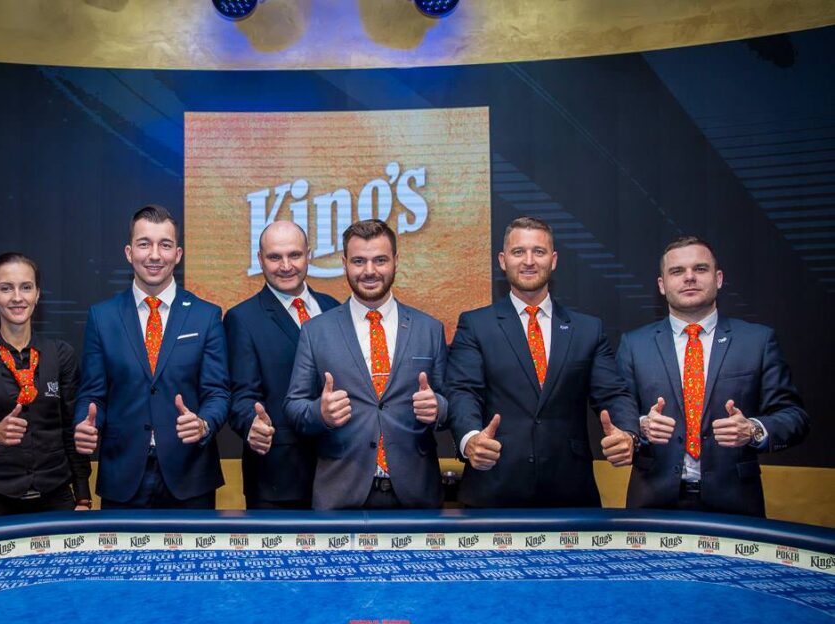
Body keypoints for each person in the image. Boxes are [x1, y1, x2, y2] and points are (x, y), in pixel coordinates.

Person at [446, 216, 638, 508]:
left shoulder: (587, 329)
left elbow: (612, 393)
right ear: (502, 260)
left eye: (538, 251)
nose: (529, 261)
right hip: (494, 487)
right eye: (518, 252)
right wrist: (471, 438)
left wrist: (628, 433)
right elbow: (462, 391)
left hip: (570, 491)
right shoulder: (476, 325)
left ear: (554, 260)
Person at [616, 237, 809, 516]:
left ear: (718, 279)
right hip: (652, 501)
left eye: (700, 268)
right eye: (677, 271)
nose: (689, 277)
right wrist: (641, 426)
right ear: (662, 285)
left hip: (735, 503)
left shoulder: (757, 341)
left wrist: (753, 429)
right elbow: (619, 416)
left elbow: (794, 417)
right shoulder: (634, 345)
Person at [284, 218, 448, 509]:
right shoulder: (316, 331)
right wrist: (320, 413)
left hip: (416, 493)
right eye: (359, 261)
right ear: (344, 264)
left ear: (396, 261)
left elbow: (451, 400)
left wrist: (439, 408)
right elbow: (294, 407)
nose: (369, 271)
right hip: (341, 493)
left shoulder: (429, 329)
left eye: (380, 260)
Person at [73, 205, 229, 508]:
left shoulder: (206, 315)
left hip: (190, 474)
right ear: (129, 252)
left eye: (165, 245)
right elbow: (92, 394)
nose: (155, 255)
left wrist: (204, 423)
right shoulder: (102, 317)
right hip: (123, 476)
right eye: (144, 244)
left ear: (178, 254)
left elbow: (218, 392)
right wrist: (85, 423)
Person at [0, 253, 92, 518]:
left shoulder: (60, 354)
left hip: (55, 496)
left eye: (26, 287)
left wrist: (83, 496)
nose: (17, 297)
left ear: (37, 294)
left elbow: (72, 429)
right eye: (6, 288)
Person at [224, 221, 340, 509]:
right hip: (278, 477)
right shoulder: (242, 318)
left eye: (295, 255)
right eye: (275, 257)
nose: (286, 266)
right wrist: (251, 423)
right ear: (260, 259)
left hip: (341, 471)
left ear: (309, 255)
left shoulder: (334, 308)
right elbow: (241, 395)